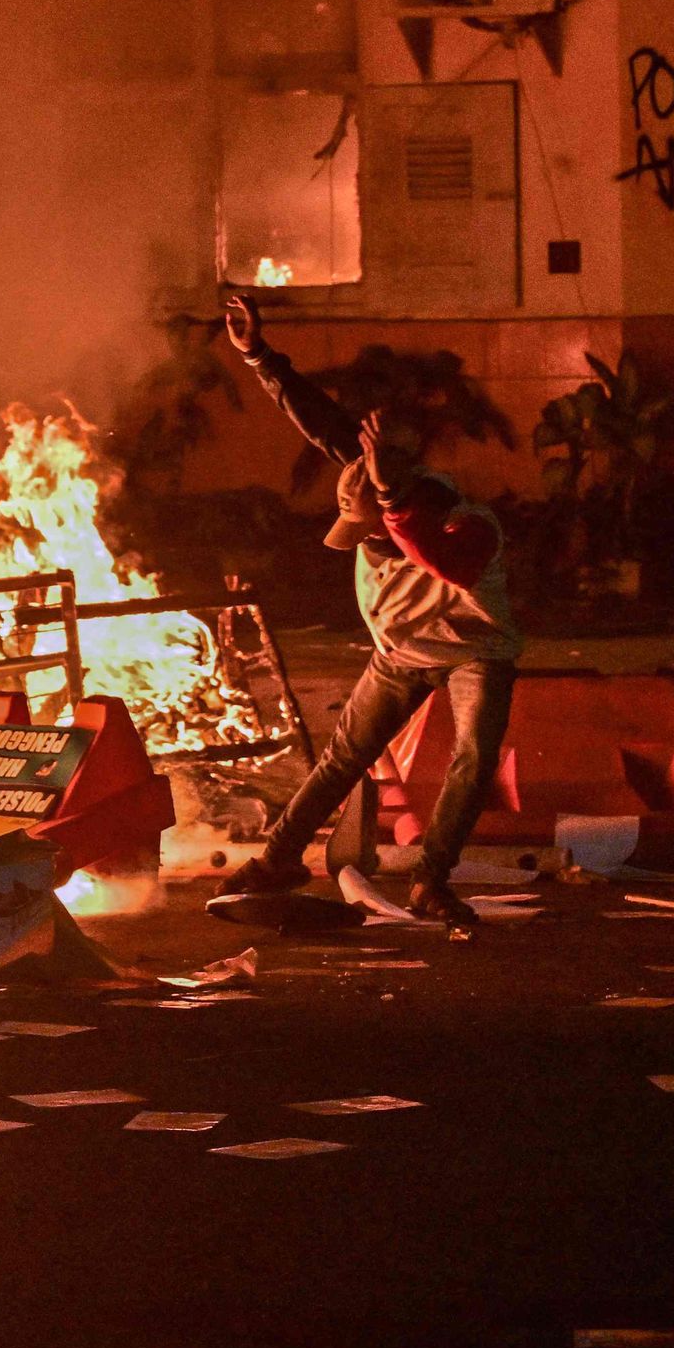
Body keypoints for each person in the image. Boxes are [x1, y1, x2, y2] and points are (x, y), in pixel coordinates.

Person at [211, 290, 522, 939]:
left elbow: (436, 554)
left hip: (472, 651)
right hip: (402, 651)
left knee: (471, 756)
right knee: (343, 756)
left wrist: (388, 498)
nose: (366, 544)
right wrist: (259, 356)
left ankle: (432, 880)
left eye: (371, 532)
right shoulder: (374, 481)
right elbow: (321, 421)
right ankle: (277, 861)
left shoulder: (468, 527)